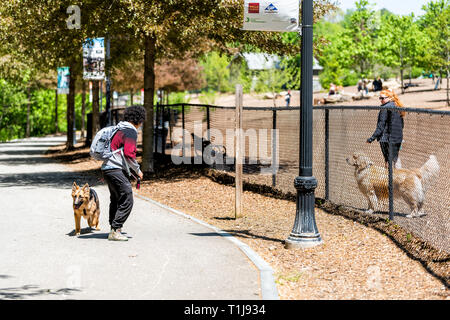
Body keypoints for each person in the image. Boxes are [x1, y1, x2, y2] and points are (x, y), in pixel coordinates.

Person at [102, 105, 146, 241]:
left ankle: (114, 228)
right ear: (139, 119)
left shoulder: (118, 129)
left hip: (107, 168)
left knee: (116, 199)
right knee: (127, 197)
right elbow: (129, 154)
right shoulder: (130, 131)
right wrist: (138, 171)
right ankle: (115, 230)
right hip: (115, 169)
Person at [366, 89, 405, 169]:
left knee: (387, 160)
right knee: (395, 158)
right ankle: (399, 177)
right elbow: (402, 124)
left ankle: (389, 179)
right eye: (380, 98)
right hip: (397, 138)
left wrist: (371, 138)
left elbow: (381, 125)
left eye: (382, 98)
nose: (381, 100)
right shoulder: (398, 106)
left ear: (390, 98)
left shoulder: (385, 108)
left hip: (386, 138)